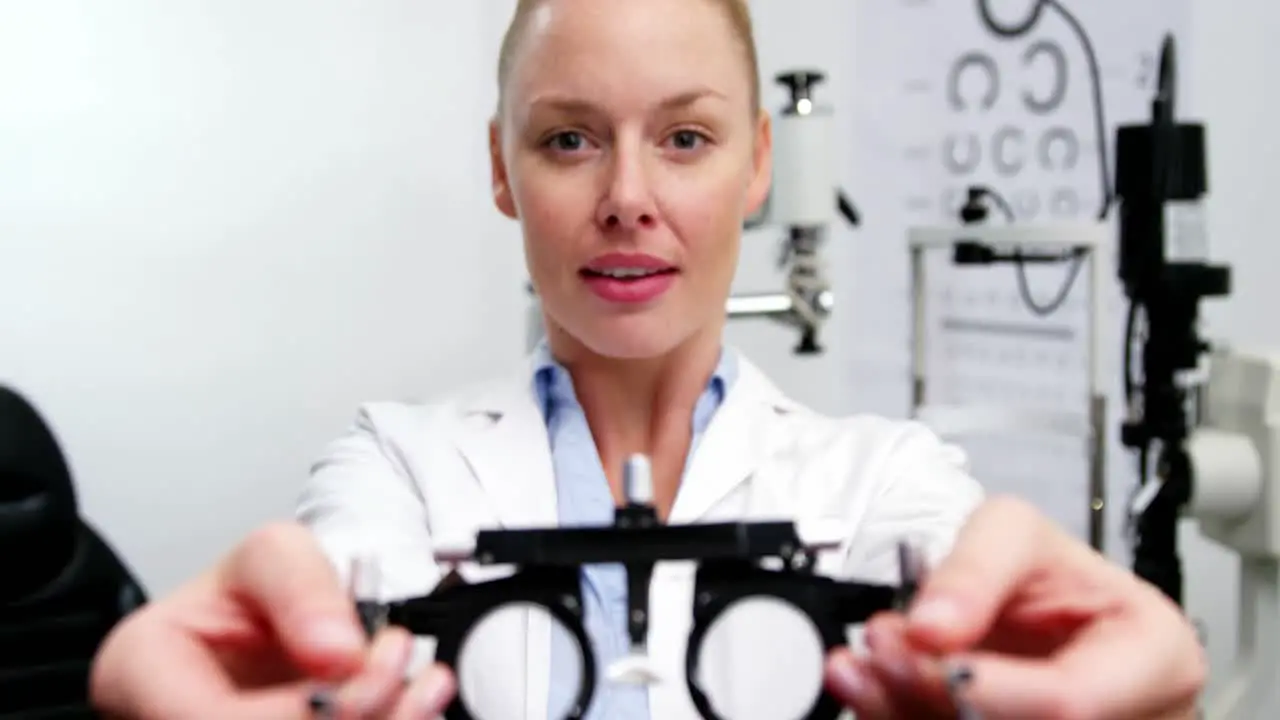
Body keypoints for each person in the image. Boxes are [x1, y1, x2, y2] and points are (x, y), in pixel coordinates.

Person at [88, 0, 1208, 717]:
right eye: (568, 139)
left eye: (683, 138)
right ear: (501, 169)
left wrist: (1125, 678)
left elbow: (960, 583)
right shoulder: (398, 464)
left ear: (758, 161)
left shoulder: (876, 480)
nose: (626, 200)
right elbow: (348, 587)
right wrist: (298, 658)